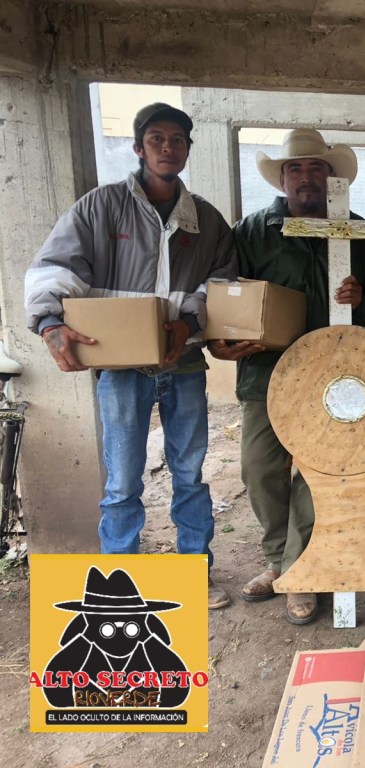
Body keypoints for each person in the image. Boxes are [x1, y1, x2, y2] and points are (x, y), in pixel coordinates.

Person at [24, 103, 238, 610]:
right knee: (122, 483)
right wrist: (50, 323)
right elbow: (54, 268)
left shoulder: (206, 220)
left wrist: (189, 324)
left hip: (184, 364)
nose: (168, 147)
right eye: (157, 138)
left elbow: (222, 284)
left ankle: (195, 574)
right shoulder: (101, 207)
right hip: (120, 370)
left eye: (178, 140)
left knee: (190, 475)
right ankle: (116, 586)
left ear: (188, 149)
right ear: (139, 147)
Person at [208, 129, 365, 625]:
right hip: (267, 372)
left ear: (331, 176)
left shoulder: (357, 232)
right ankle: (278, 557)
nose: (306, 177)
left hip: (334, 374)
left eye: (316, 168)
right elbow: (227, 295)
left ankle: (298, 568)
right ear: (282, 179)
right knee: (259, 468)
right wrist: (221, 338)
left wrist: (362, 299)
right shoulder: (251, 231)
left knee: (318, 470)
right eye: (296, 169)